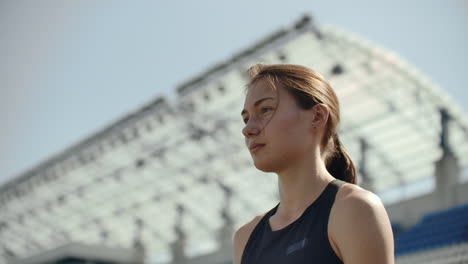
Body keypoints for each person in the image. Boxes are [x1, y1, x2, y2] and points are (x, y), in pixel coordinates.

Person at [233, 64, 394, 264]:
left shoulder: (354, 209)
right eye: (246, 118)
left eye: (265, 109)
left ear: (317, 116)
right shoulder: (245, 238)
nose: (247, 129)